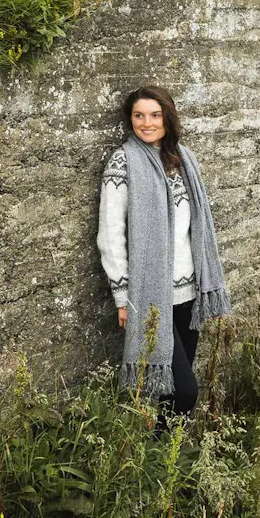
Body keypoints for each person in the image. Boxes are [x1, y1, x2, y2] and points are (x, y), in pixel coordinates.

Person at [97, 85, 232, 415]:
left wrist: (207, 287)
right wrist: (122, 296)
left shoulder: (184, 160)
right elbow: (110, 235)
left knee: (172, 393)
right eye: (139, 116)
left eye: (155, 115)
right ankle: (162, 444)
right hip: (151, 296)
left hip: (189, 293)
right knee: (186, 391)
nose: (147, 123)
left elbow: (198, 227)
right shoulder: (123, 162)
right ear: (130, 120)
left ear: (168, 118)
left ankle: (166, 446)